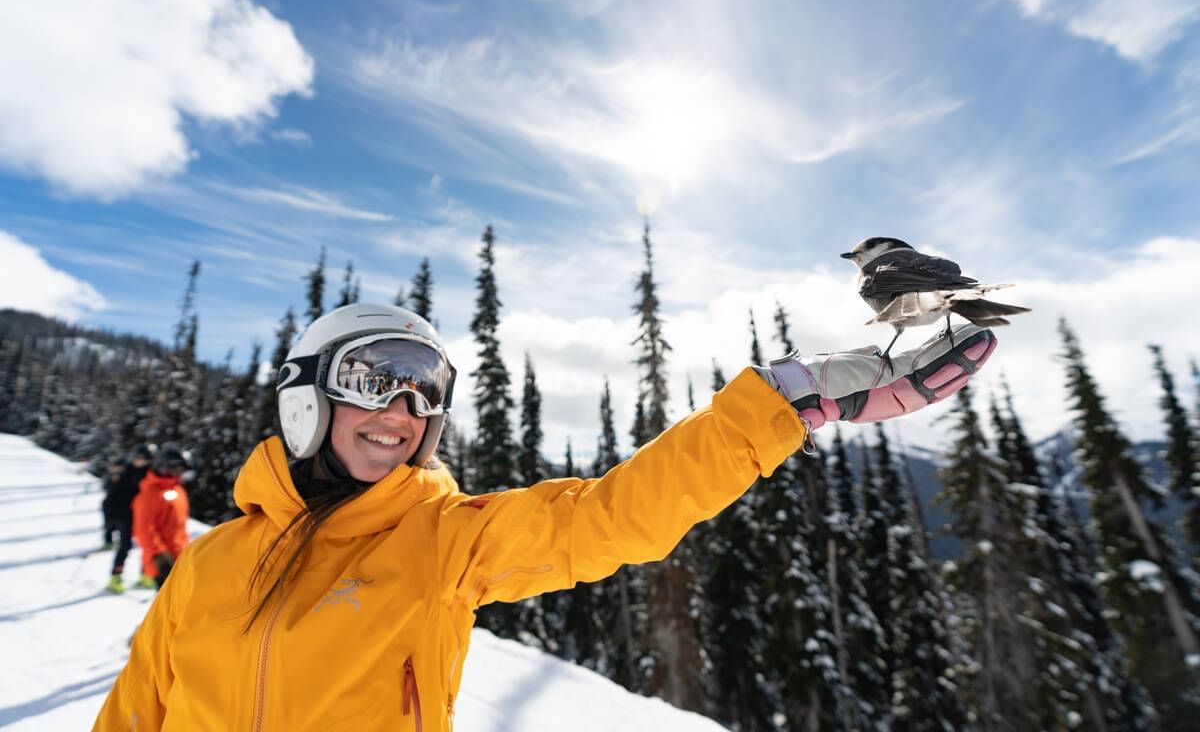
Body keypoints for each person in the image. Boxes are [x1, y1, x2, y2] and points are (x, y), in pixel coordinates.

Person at [95, 302, 996, 731]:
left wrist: (782, 404)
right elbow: (133, 718)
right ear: (307, 394)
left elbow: (610, 520)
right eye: (377, 377)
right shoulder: (210, 566)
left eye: (425, 391)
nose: (402, 409)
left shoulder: (440, 541)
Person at [131, 444, 192, 590]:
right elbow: (144, 529)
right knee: (170, 607)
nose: (180, 473)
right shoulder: (150, 493)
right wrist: (160, 556)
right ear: (164, 467)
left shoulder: (177, 489)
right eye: (177, 469)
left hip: (180, 556)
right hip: (163, 562)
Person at [103, 446, 155, 593]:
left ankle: (146, 575)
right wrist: (111, 518)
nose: (139, 461)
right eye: (136, 458)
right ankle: (116, 576)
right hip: (124, 515)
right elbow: (110, 496)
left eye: (142, 458)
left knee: (147, 545)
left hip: (143, 516)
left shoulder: (151, 474)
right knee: (125, 545)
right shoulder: (125, 472)